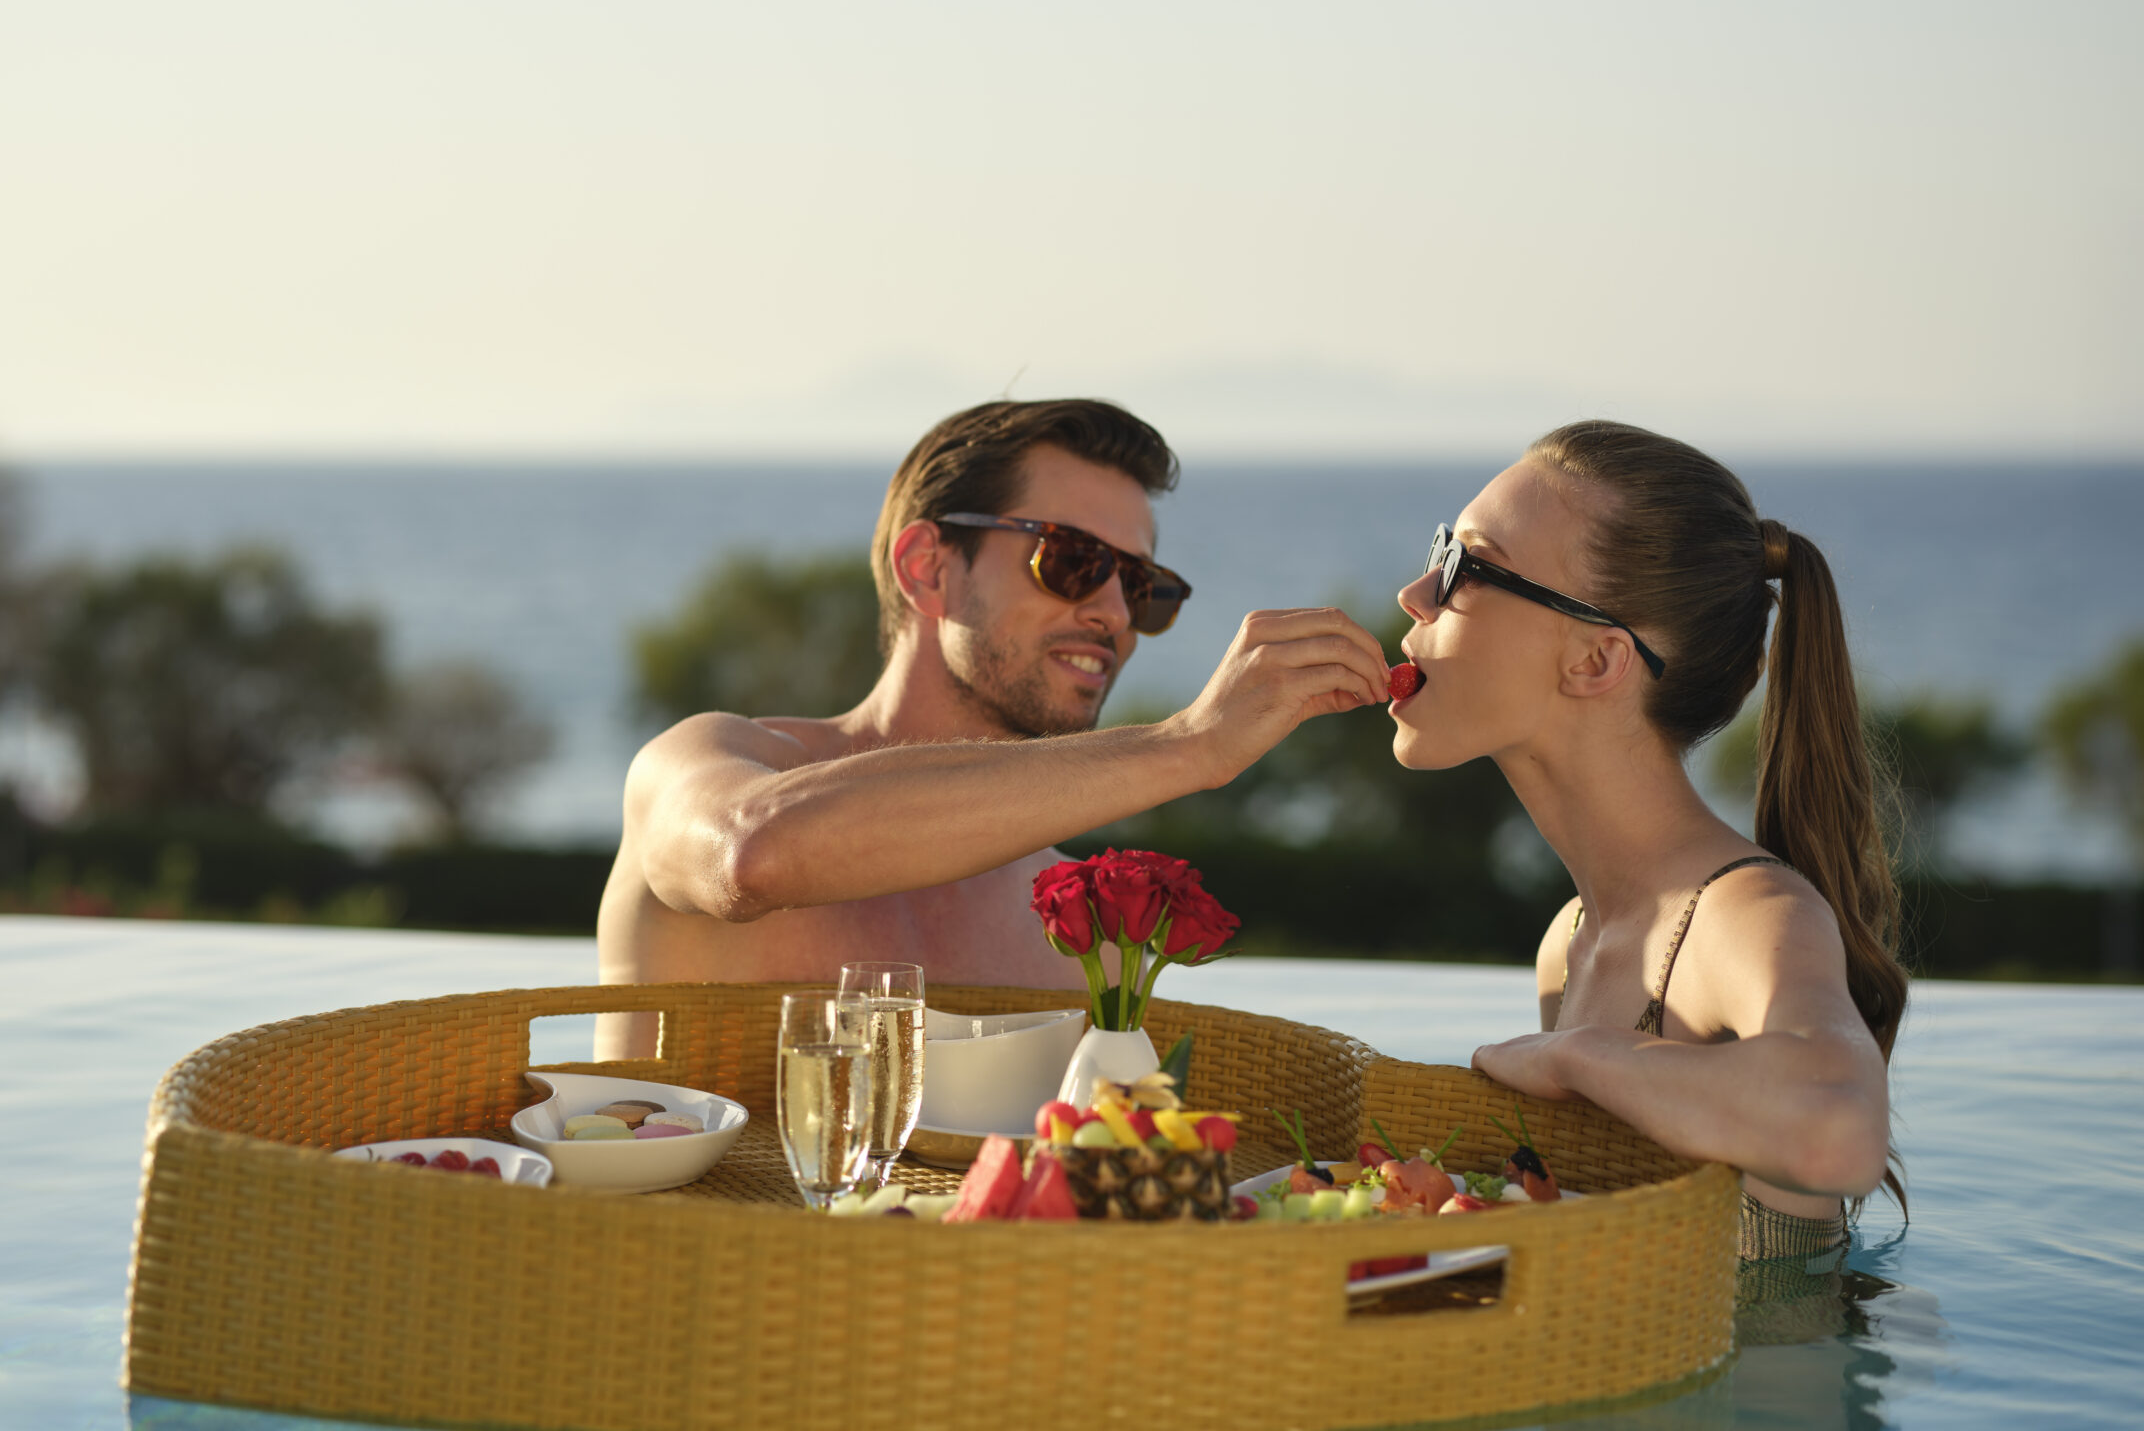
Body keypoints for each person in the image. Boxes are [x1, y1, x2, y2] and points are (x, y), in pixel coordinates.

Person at [595, 398, 1391, 1058]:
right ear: (929, 569)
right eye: (1073, 559)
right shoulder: (713, 762)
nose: (1113, 613)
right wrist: (1189, 746)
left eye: (1141, 585)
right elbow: (754, 854)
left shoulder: (1087, 932)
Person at [1390, 420, 1903, 1247]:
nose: (1416, 596)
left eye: (1466, 567)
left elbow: (1839, 1128)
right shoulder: (1572, 942)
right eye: (1439, 550)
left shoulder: (1746, 915)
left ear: (1595, 661)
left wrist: (1577, 1057)